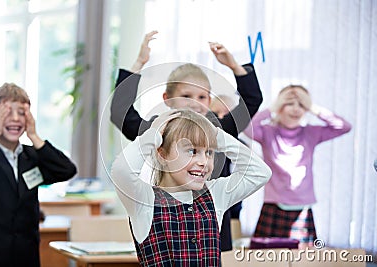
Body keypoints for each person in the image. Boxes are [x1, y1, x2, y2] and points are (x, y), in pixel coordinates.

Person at [110, 30, 263, 251]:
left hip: (214, 218)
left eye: (202, 97)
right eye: (186, 96)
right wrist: (138, 63)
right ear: (167, 99)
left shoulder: (218, 128)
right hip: (167, 219)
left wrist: (234, 66)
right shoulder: (158, 128)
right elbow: (120, 112)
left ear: (210, 100)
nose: (194, 103)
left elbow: (251, 100)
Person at [111, 109, 271, 266]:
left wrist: (217, 136)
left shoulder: (215, 194)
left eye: (209, 152)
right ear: (162, 154)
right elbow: (121, 170)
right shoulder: (144, 200)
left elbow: (260, 172)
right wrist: (153, 134)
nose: (204, 162)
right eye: (192, 151)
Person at [0, 83, 77, 267]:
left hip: (26, 253)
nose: (15, 118)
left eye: (22, 113)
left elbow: (66, 169)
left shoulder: (32, 156)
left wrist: (34, 136)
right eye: (7, 112)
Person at [244, 84, 352, 248]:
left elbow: (343, 126)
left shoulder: (311, 133)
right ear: (279, 106)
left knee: (302, 260)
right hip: (273, 205)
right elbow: (246, 127)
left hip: (302, 208)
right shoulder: (267, 132)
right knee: (263, 259)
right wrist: (272, 107)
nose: (296, 109)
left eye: (301, 104)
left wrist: (313, 108)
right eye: (289, 103)